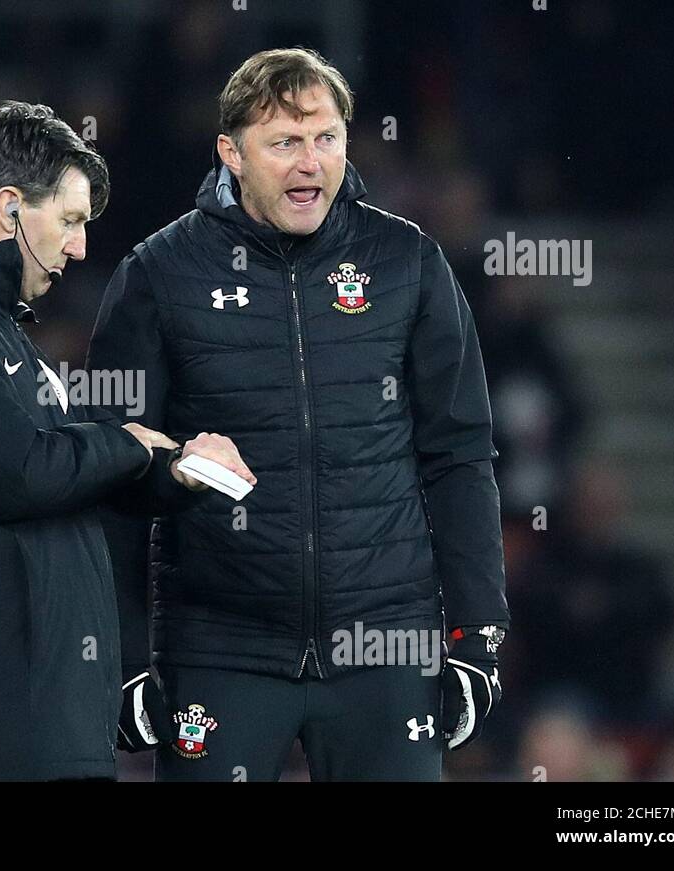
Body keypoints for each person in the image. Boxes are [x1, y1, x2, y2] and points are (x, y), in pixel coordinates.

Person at [89, 48, 508, 781]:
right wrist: (122, 655)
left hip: (387, 648)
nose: (309, 162)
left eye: (326, 138)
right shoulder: (158, 275)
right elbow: (113, 475)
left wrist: (477, 635)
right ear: (231, 153)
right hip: (219, 649)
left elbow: (461, 458)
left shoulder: (408, 262)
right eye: (283, 142)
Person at [0, 102, 254, 781]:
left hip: (40, 726)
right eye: (69, 220)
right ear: (8, 209)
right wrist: (128, 443)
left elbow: (65, 478)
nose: (80, 246)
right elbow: (19, 472)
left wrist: (172, 470)